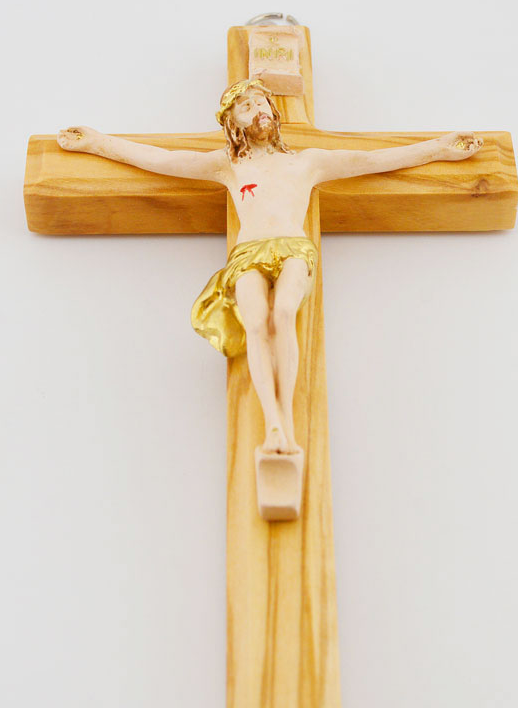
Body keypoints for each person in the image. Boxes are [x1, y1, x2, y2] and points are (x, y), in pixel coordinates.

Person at [58, 79, 482, 454]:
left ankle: (289, 425)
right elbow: (163, 160)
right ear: (233, 124)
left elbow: (373, 160)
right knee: (256, 323)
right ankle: (274, 424)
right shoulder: (229, 164)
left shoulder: (307, 162)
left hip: (294, 248)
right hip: (248, 254)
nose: (257, 110)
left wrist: (438, 149)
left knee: (284, 314)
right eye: (246, 107)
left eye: (261, 103)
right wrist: (97, 142)